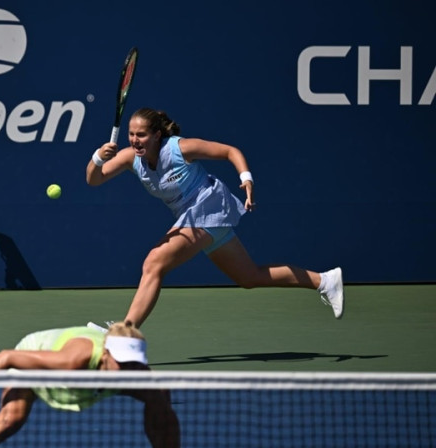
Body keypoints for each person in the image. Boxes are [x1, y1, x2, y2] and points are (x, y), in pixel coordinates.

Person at [86, 108, 344, 328]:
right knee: (249, 277)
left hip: (209, 206)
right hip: (196, 216)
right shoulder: (132, 158)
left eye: (141, 135)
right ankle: (324, 280)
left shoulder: (179, 148)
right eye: (131, 134)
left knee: (154, 263)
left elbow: (230, 151)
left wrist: (246, 179)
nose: (134, 140)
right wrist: (98, 158)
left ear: (156, 135)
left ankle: (124, 332)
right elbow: (94, 179)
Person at [0, 321, 180, 448]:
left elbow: (159, 400)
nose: (129, 371)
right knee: (10, 420)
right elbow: (6, 357)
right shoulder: (72, 360)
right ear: (106, 355)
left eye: (135, 364)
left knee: (158, 395)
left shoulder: (134, 371)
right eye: (122, 363)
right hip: (36, 358)